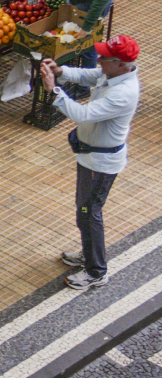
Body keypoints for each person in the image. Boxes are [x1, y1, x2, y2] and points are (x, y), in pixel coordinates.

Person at [40, 36, 141, 291]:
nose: (99, 60)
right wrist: (62, 71)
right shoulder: (113, 74)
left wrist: (54, 89)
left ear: (120, 64)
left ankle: (96, 270)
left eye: (104, 58)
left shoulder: (123, 93)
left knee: (88, 214)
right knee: (84, 210)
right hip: (91, 157)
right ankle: (89, 253)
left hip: (100, 164)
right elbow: (90, 76)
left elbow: (82, 115)